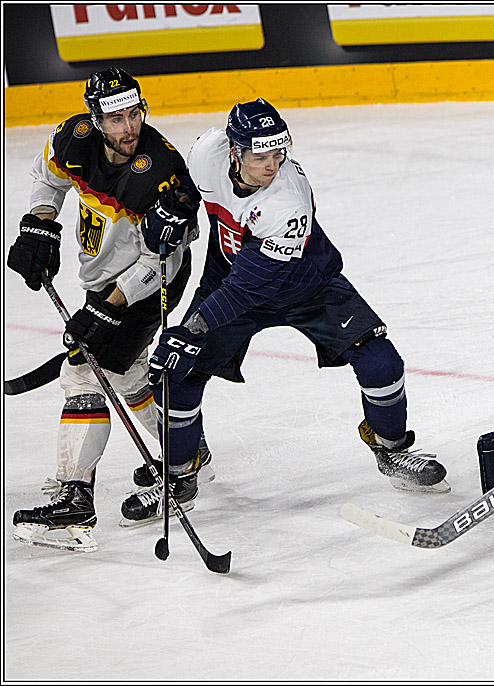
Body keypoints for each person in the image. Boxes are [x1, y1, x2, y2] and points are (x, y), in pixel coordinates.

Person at [119, 98, 449, 525]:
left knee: (381, 361)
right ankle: (180, 474)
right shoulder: (207, 152)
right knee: (178, 375)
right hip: (229, 278)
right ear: (234, 151)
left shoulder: (286, 201)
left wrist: (193, 329)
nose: (272, 164)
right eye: (261, 155)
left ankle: (391, 448)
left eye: (279, 152)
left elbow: (246, 290)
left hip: (306, 285)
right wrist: (178, 206)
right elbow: (187, 184)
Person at [8, 67, 202, 551]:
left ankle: (75, 499)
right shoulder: (74, 140)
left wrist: (110, 309)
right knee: (128, 377)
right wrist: (40, 221)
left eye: (135, 114)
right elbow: (47, 178)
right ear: (95, 121)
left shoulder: (161, 172)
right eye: (115, 118)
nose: (128, 127)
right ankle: (186, 452)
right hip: (102, 280)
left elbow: (164, 257)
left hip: (148, 286)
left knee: (83, 375)